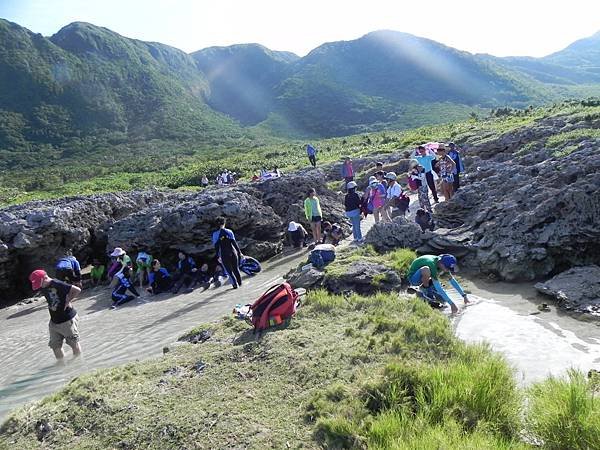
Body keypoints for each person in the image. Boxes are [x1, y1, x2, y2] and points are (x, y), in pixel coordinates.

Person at [29, 269, 82, 361]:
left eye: (40, 283)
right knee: (55, 346)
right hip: (54, 321)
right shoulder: (43, 287)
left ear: (45, 278)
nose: (40, 286)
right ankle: (61, 367)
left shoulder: (57, 283)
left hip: (67, 319)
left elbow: (77, 290)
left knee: (74, 344)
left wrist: (68, 301)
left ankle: (78, 364)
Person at [212, 216, 243, 289]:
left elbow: (216, 247)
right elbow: (234, 243)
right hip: (233, 252)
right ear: (224, 223)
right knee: (236, 269)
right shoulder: (229, 231)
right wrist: (239, 253)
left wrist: (218, 256)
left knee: (229, 272)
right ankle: (241, 285)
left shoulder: (215, 234)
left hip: (224, 255)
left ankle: (235, 286)